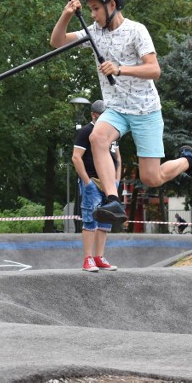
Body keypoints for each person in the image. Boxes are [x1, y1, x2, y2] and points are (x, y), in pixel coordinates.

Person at [51, 0, 192, 225]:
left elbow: (154, 69)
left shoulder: (137, 31)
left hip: (145, 110)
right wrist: (66, 14)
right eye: (89, 9)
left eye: (95, 9)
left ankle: (187, 160)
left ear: (111, 5)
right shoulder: (94, 32)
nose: (92, 14)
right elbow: (57, 42)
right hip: (116, 108)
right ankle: (112, 200)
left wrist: (120, 69)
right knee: (96, 138)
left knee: (151, 178)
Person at [72, 100, 121, 272]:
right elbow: (76, 157)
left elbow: (118, 158)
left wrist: (117, 180)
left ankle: (99, 257)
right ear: (94, 115)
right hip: (93, 180)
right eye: (103, 116)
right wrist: (87, 182)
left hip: (110, 184)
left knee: (105, 220)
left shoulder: (111, 132)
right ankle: (88, 258)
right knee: (90, 219)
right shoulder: (86, 131)